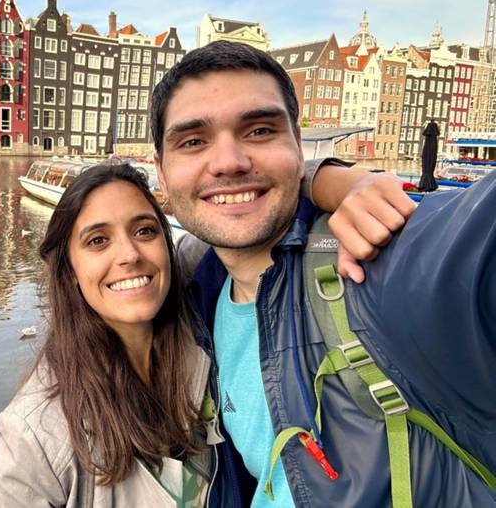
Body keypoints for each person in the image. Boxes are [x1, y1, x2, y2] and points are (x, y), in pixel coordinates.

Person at [151, 40, 496, 507]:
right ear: (161, 173)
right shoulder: (197, 285)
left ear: (298, 145)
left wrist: (335, 179)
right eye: (193, 141)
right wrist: (325, 178)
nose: (229, 161)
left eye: (260, 131)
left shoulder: (380, 267)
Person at [0, 158, 411, 507]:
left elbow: (254, 202)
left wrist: (347, 184)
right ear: (70, 271)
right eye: (97, 241)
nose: (130, 255)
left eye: (144, 230)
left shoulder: (187, 283)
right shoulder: (34, 435)